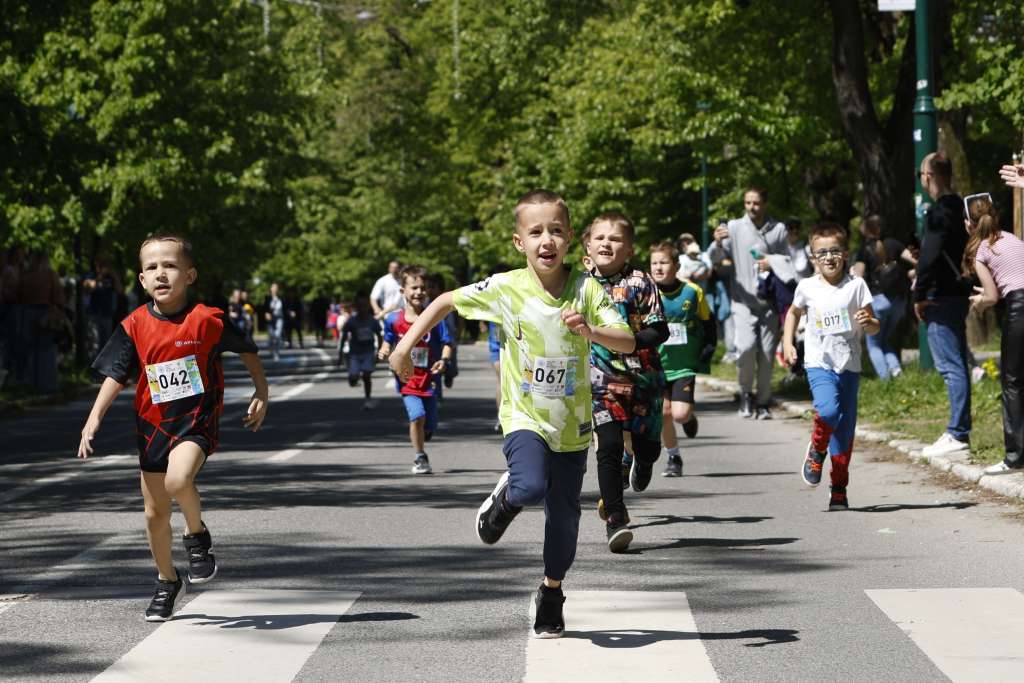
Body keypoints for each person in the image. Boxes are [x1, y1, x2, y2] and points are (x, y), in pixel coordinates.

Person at [389, 188, 632, 638]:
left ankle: (551, 592)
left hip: (573, 425)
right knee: (530, 485)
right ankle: (507, 499)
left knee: (565, 521)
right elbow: (444, 301)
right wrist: (404, 347)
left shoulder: (587, 290)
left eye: (556, 231)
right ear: (520, 242)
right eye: (536, 232)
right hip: (524, 416)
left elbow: (628, 340)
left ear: (570, 238)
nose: (547, 240)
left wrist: (591, 330)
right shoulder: (506, 288)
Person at [77, 233, 268, 621]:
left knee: (179, 481)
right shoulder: (134, 324)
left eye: (170, 265)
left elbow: (247, 350)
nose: (161, 274)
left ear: (190, 275)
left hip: (196, 422)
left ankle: (196, 536)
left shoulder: (208, 320)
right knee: (154, 514)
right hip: (153, 427)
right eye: (152, 268)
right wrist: (94, 416)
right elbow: (116, 373)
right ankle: (167, 580)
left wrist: (261, 391)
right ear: (142, 279)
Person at [585, 212, 668, 553]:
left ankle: (643, 461)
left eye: (615, 238)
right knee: (607, 445)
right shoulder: (579, 285)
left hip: (643, 380)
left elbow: (659, 328)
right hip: (601, 380)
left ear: (629, 249)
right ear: (587, 246)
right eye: (600, 237)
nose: (606, 243)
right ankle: (616, 518)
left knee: (647, 448)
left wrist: (631, 342)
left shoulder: (640, 281)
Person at [783, 223, 879, 511]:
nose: (828, 257)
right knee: (827, 411)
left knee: (845, 431)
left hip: (849, 365)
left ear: (845, 254)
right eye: (821, 252)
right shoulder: (807, 287)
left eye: (834, 251)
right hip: (819, 362)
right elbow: (793, 313)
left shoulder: (856, 286)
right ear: (813, 257)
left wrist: (868, 322)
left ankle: (839, 488)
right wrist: (788, 343)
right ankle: (817, 448)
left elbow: (874, 326)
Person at [708, 187, 791, 419]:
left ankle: (763, 402)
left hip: (768, 302)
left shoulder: (778, 229)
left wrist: (771, 262)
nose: (751, 208)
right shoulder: (734, 227)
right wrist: (717, 243)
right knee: (745, 349)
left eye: (756, 203)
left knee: (766, 355)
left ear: (764, 204)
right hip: (742, 301)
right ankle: (745, 393)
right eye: (747, 203)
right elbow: (713, 259)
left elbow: (787, 260)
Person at [961, 194, 1024, 475]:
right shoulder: (1012, 238)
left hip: (1019, 309)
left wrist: (979, 301)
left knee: (1012, 383)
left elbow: (991, 296)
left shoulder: (981, 251)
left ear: (969, 224)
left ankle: (1015, 457)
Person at [914, 153, 972, 458]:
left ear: (930, 176)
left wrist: (919, 294)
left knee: (951, 367)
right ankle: (960, 430)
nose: (921, 179)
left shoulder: (938, 211)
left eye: (921, 174)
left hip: (940, 296)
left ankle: (957, 433)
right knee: (957, 363)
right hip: (959, 292)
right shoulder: (962, 206)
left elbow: (931, 256)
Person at [649, 242, 717, 478]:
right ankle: (673, 457)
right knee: (664, 413)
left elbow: (708, 322)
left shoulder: (692, 291)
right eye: (654, 263)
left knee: (679, 414)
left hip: (683, 366)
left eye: (664, 262)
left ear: (676, 266)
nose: (658, 267)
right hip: (656, 365)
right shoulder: (646, 292)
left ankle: (688, 417)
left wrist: (709, 347)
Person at [378, 265, 453, 475]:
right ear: (403, 291)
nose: (419, 292)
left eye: (423, 288)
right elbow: (388, 339)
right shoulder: (394, 320)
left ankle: (424, 432)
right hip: (407, 380)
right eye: (414, 287)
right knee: (417, 416)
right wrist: (384, 349)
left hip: (430, 380)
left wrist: (444, 360)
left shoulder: (435, 317)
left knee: (430, 423)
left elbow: (447, 343)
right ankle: (420, 456)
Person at [852, 215, 911, 380]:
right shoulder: (893, 243)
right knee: (885, 340)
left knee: (873, 344)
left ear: (865, 229)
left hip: (878, 302)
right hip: (899, 302)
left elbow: (858, 277)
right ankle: (896, 370)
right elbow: (916, 259)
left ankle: (885, 380)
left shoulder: (864, 250)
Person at [17, 250, 66, 394]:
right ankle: (47, 384)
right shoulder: (50, 275)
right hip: (46, 314)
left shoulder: (25, 275)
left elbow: (19, 295)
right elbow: (58, 296)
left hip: (27, 313)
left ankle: (32, 384)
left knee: (31, 349)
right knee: (47, 349)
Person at [340, 291, 382, 410]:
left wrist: (380, 352)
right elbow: (344, 336)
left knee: (367, 375)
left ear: (368, 306)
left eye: (364, 306)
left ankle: (368, 398)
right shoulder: (352, 321)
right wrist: (340, 354)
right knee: (353, 378)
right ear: (356, 307)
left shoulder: (372, 321)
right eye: (360, 306)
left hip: (368, 352)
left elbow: (379, 335)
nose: (362, 309)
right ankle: (352, 378)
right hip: (354, 353)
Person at [264, 283, 285, 361]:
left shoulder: (281, 298)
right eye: (273, 288)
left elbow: (285, 308)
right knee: (271, 336)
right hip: (270, 319)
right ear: (270, 289)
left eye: (276, 288)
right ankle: (271, 348)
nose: (274, 289)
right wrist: (266, 314)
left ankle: (276, 353)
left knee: (277, 335)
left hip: (279, 319)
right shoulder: (267, 298)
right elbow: (265, 308)